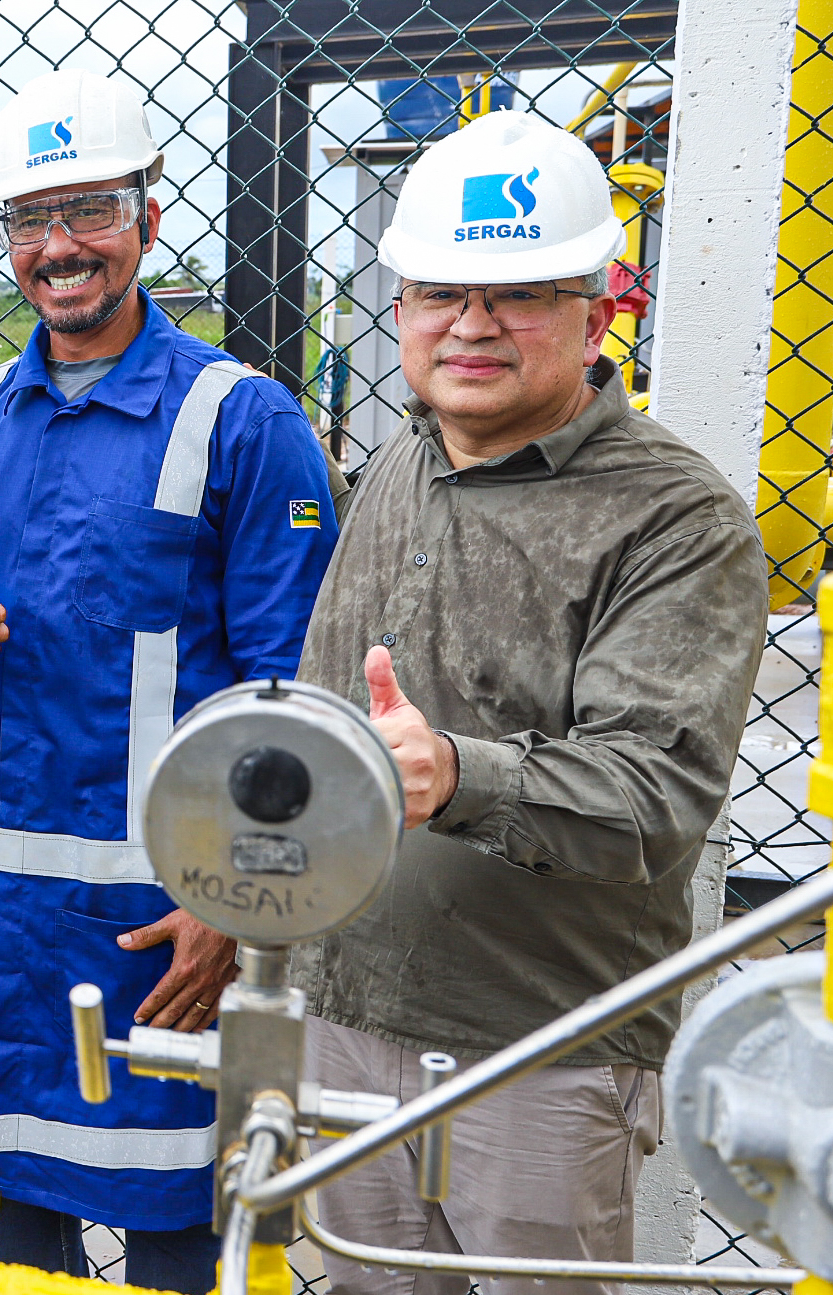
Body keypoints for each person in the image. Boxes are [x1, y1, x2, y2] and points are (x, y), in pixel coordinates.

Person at [294, 109, 767, 1295]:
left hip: (538, 1044)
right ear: (398, 308)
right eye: (440, 292)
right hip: (346, 1007)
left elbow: (654, 796)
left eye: (518, 294)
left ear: (599, 313)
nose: (471, 323)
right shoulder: (399, 460)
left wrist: (455, 773)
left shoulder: (673, 517)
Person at [0, 70, 341, 1289]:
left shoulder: (240, 420)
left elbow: (293, 691)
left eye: (89, 209)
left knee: (173, 1225)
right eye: (31, 219)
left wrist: (240, 902)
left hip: (158, 922)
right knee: (16, 1221)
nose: (60, 245)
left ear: (148, 215)